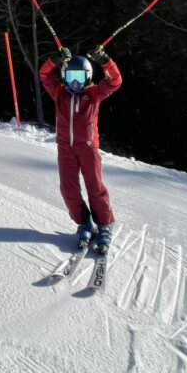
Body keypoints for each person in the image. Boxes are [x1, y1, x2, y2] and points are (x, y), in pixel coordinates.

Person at [39, 45, 122, 254]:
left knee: (95, 188)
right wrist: (55, 59)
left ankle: (104, 225)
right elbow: (45, 74)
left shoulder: (94, 93)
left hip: (88, 148)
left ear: (88, 77)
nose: (74, 83)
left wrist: (105, 61)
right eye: (70, 77)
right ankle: (84, 223)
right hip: (65, 148)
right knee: (68, 189)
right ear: (64, 77)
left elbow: (115, 80)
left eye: (79, 77)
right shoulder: (59, 92)